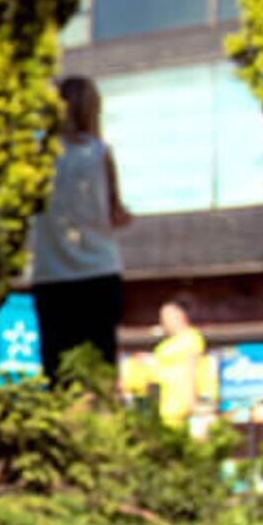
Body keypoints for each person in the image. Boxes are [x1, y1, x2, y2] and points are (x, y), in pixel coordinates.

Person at [28, 75, 132, 383]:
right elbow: (116, 213)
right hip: (99, 271)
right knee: (99, 372)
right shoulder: (100, 153)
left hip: (52, 274)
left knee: (57, 371)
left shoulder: (40, 157)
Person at [149, 299, 213, 432]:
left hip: (185, 408)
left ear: (180, 315)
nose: (163, 321)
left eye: (167, 316)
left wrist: (193, 402)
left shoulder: (190, 338)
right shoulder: (166, 345)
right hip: (167, 408)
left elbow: (192, 369)